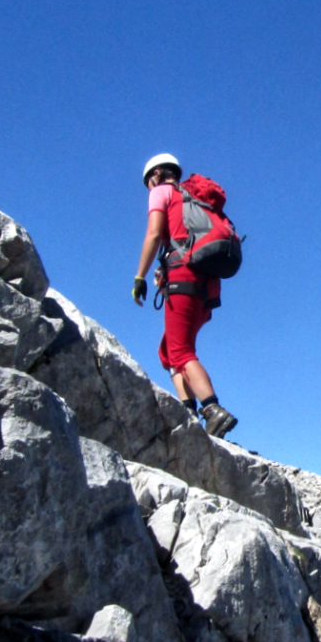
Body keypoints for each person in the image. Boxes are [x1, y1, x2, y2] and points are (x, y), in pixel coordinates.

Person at [133, 153, 238, 439]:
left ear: (155, 175)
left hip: (183, 278)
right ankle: (187, 411)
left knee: (179, 352)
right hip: (207, 283)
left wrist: (140, 276)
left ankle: (212, 410)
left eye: (148, 182)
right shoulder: (192, 198)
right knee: (168, 351)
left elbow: (154, 234)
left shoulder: (161, 192)